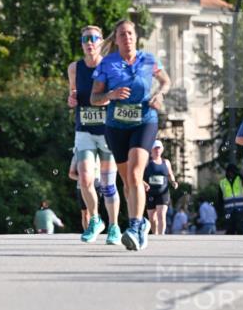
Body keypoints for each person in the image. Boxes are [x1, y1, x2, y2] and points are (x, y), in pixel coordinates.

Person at [90, 18, 171, 251]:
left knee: (136, 174)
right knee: (128, 182)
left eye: (130, 33)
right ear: (116, 40)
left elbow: (165, 81)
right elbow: (94, 98)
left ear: (136, 37)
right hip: (116, 127)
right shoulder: (107, 63)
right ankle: (142, 222)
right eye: (122, 34)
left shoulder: (148, 60)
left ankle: (134, 226)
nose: (126, 37)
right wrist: (110, 95)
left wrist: (160, 94)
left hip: (144, 122)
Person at [67, 25, 121, 245]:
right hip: (84, 131)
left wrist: (106, 98)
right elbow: (73, 94)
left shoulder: (110, 66)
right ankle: (96, 219)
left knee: (108, 184)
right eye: (85, 39)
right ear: (82, 44)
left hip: (107, 132)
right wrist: (71, 100)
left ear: (101, 42)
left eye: (93, 38)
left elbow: (118, 96)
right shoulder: (74, 68)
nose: (89, 42)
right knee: (85, 178)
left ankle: (114, 226)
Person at [144, 139, 178, 235]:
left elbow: (170, 174)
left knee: (161, 215)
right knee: (152, 218)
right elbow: (139, 175)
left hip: (163, 192)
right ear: (151, 149)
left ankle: (161, 236)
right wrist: (144, 183)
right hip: (150, 192)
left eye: (159, 148)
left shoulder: (166, 162)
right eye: (155, 148)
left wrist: (173, 181)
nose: (157, 150)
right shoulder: (147, 162)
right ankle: (155, 234)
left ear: (162, 149)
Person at [218, 164, 243, 235]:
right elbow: (220, 198)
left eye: (233, 172)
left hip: (240, 209)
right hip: (228, 210)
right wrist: (221, 211)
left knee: (240, 228)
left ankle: (242, 241)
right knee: (230, 228)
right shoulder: (223, 182)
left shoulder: (239, 179)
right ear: (227, 172)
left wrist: (240, 174)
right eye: (230, 171)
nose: (231, 173)